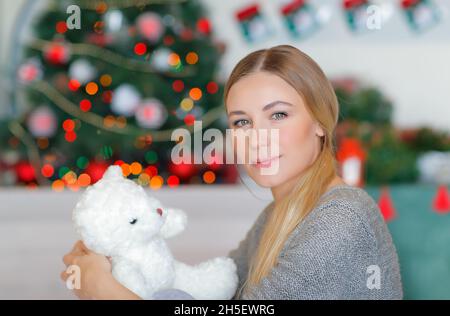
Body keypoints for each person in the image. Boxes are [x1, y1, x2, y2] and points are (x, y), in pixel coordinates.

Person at [61, 44, 403, 300]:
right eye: (242, 121)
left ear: (319, 123)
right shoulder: (279, 215)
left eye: (279, 115)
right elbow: (215, 291)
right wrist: (118, 258)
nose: (258, 138)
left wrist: (103, 289)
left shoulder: (340, 218)